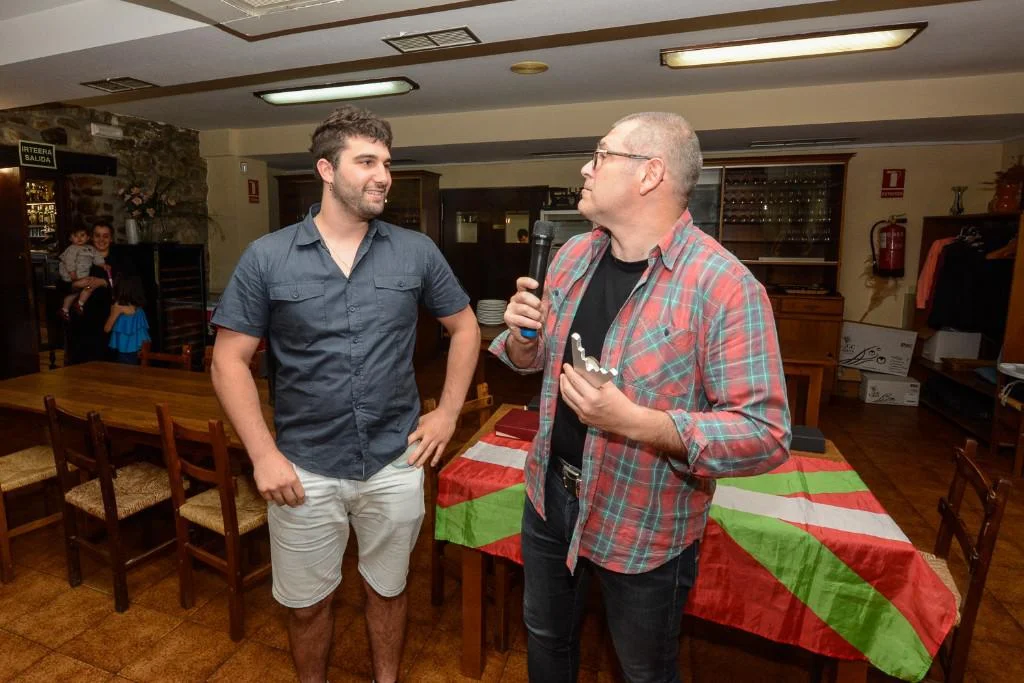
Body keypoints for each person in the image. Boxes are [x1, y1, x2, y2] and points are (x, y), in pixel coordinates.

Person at [492, 112, 791, 683]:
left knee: (643, 671)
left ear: (650, 174)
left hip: (645, 524)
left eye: (601, 155)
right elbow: (533, 362)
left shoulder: (724, 287)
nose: (586, 168)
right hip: (548, 498)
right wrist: (524, 341)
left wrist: (636, 422)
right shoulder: (572, 257)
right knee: (547, 642)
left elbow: (765, 433)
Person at [210, 104, 480, 683]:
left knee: (389, 590)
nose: (383, 175)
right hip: (302, 467)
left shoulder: (416, 251)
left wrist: (448, 415)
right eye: (367, 162)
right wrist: (262, 454)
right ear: (327, 170)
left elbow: (465, 327)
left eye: (387, 163)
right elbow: (228, 360)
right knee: (307, 605)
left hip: (395, 460)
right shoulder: (267, 257)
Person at [65, 220, 135, 365]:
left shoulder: (120, 260)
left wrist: (103, 282)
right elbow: (64, 286)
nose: (101, 240)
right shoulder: (79, 255)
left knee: (108, 363)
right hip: (83, 319)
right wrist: (76, 284)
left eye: (105, 236)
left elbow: (129, 287)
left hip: (109, 319)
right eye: (97, 235)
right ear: (91, 237)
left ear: (111, 238)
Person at [58, 226, 105, 318]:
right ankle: (79, 304)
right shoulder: (72, 249)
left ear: (88, 237)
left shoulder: (91, 249)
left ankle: (66, 309)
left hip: (82, 276)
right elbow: (69, 261)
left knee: (82, 290)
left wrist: (103, 265)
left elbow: (97, 258)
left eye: (82, 235)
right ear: (70, 238)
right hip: (72, 276)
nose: (79, 238)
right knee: (90, 283)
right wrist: (72, 273)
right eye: (76, 236)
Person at [104, 275, 150, 365]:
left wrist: (112, 311)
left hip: (126, 349)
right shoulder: (139, 307)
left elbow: (107, 328)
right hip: (141, 348)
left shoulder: (118, 306)